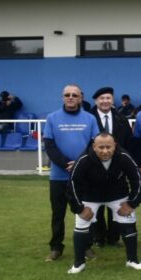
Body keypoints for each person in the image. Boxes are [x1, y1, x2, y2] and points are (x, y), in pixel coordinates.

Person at [64, 132, 141, 273]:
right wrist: (79, 209)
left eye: (108, 147)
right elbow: (72, 185)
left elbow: (137, 180)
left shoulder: (124, 157)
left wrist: (132, 203)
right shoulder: (84, 160)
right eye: (101, 147)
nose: (105, 151)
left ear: (115, 146)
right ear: (94, 147)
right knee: (81, 224)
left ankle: (132, 260)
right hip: (90, 196)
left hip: (117, 195)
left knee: (129, 223)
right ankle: (78, 264)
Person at [44, 84, 98, 261]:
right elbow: (49, 146)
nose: (70, 97)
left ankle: (86, 246)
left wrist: (79, 164)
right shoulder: (52, 118)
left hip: (83, 175)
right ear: (63, 97)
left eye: (74, 95)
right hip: (58, 176)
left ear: (81, 98)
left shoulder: (90, 118)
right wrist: (66, 163)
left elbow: (94, 145)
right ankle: (56, 247)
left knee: (85, 212)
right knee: (58, 213)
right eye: (67, 94)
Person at [89, 86, 136, 246]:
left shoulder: (120, 118)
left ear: (112, 100)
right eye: (102, 98)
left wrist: (128, 164)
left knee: (115, 201)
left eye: (108, 98)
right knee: (97, 203)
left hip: (117, 168)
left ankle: (113, 237)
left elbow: (128, 142)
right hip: (94, 167)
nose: (105, 101)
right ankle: (99, 237)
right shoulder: (89, 117)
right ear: (96, 101)